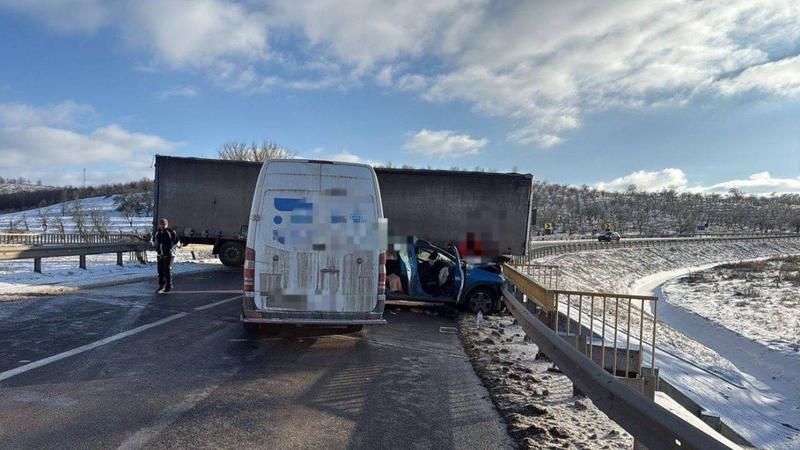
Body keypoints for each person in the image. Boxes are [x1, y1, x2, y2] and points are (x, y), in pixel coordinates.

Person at [151, 218, 178, 293]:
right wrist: (154, 244)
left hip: (169, 254)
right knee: (160, 271)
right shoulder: (157, 232)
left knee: (167, 270)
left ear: (167, 225)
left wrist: (172, 250)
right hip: (160, 254)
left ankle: (168, 286)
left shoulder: (171, 232)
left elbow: (177, 242)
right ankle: (161, 286)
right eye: (161, 224)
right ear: (159, 225)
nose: (162, 226)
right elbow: (153, 241)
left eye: (164, 224)